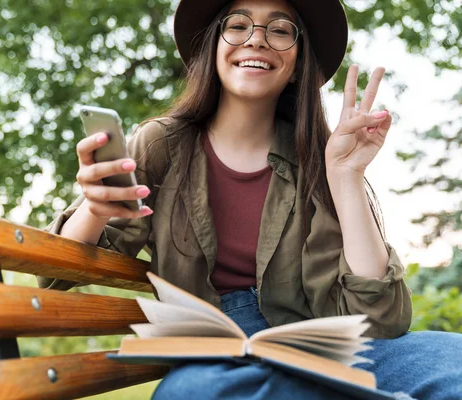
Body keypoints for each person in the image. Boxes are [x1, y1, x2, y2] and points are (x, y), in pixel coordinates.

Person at [38, 0, 462, 398]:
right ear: (213, 49)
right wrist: (94, 208)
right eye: (238, 25)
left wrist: (346, 177)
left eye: (280, 30)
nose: (256, 38)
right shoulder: (160, 145)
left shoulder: (319, 161)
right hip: (215, 355)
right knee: (196, 394)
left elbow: (380, 320)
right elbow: (55, 275)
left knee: (452, 362)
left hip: (317, 342)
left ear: (297, 66)